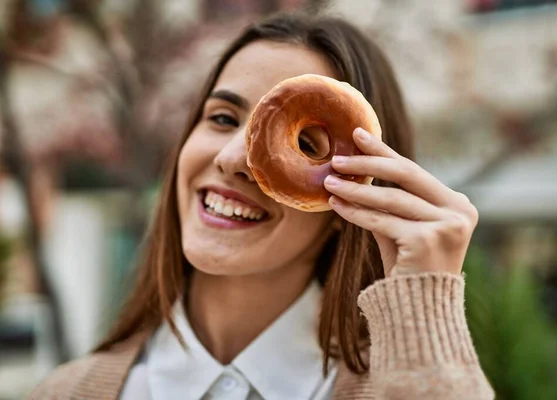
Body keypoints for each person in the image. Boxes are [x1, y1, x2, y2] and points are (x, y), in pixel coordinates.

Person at [28, 12, 494, 400]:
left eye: (306, 144)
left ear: (359, 193)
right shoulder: (66, 392)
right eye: (222, 118)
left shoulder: (407, 385)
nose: (233, 158)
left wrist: (426, 315)